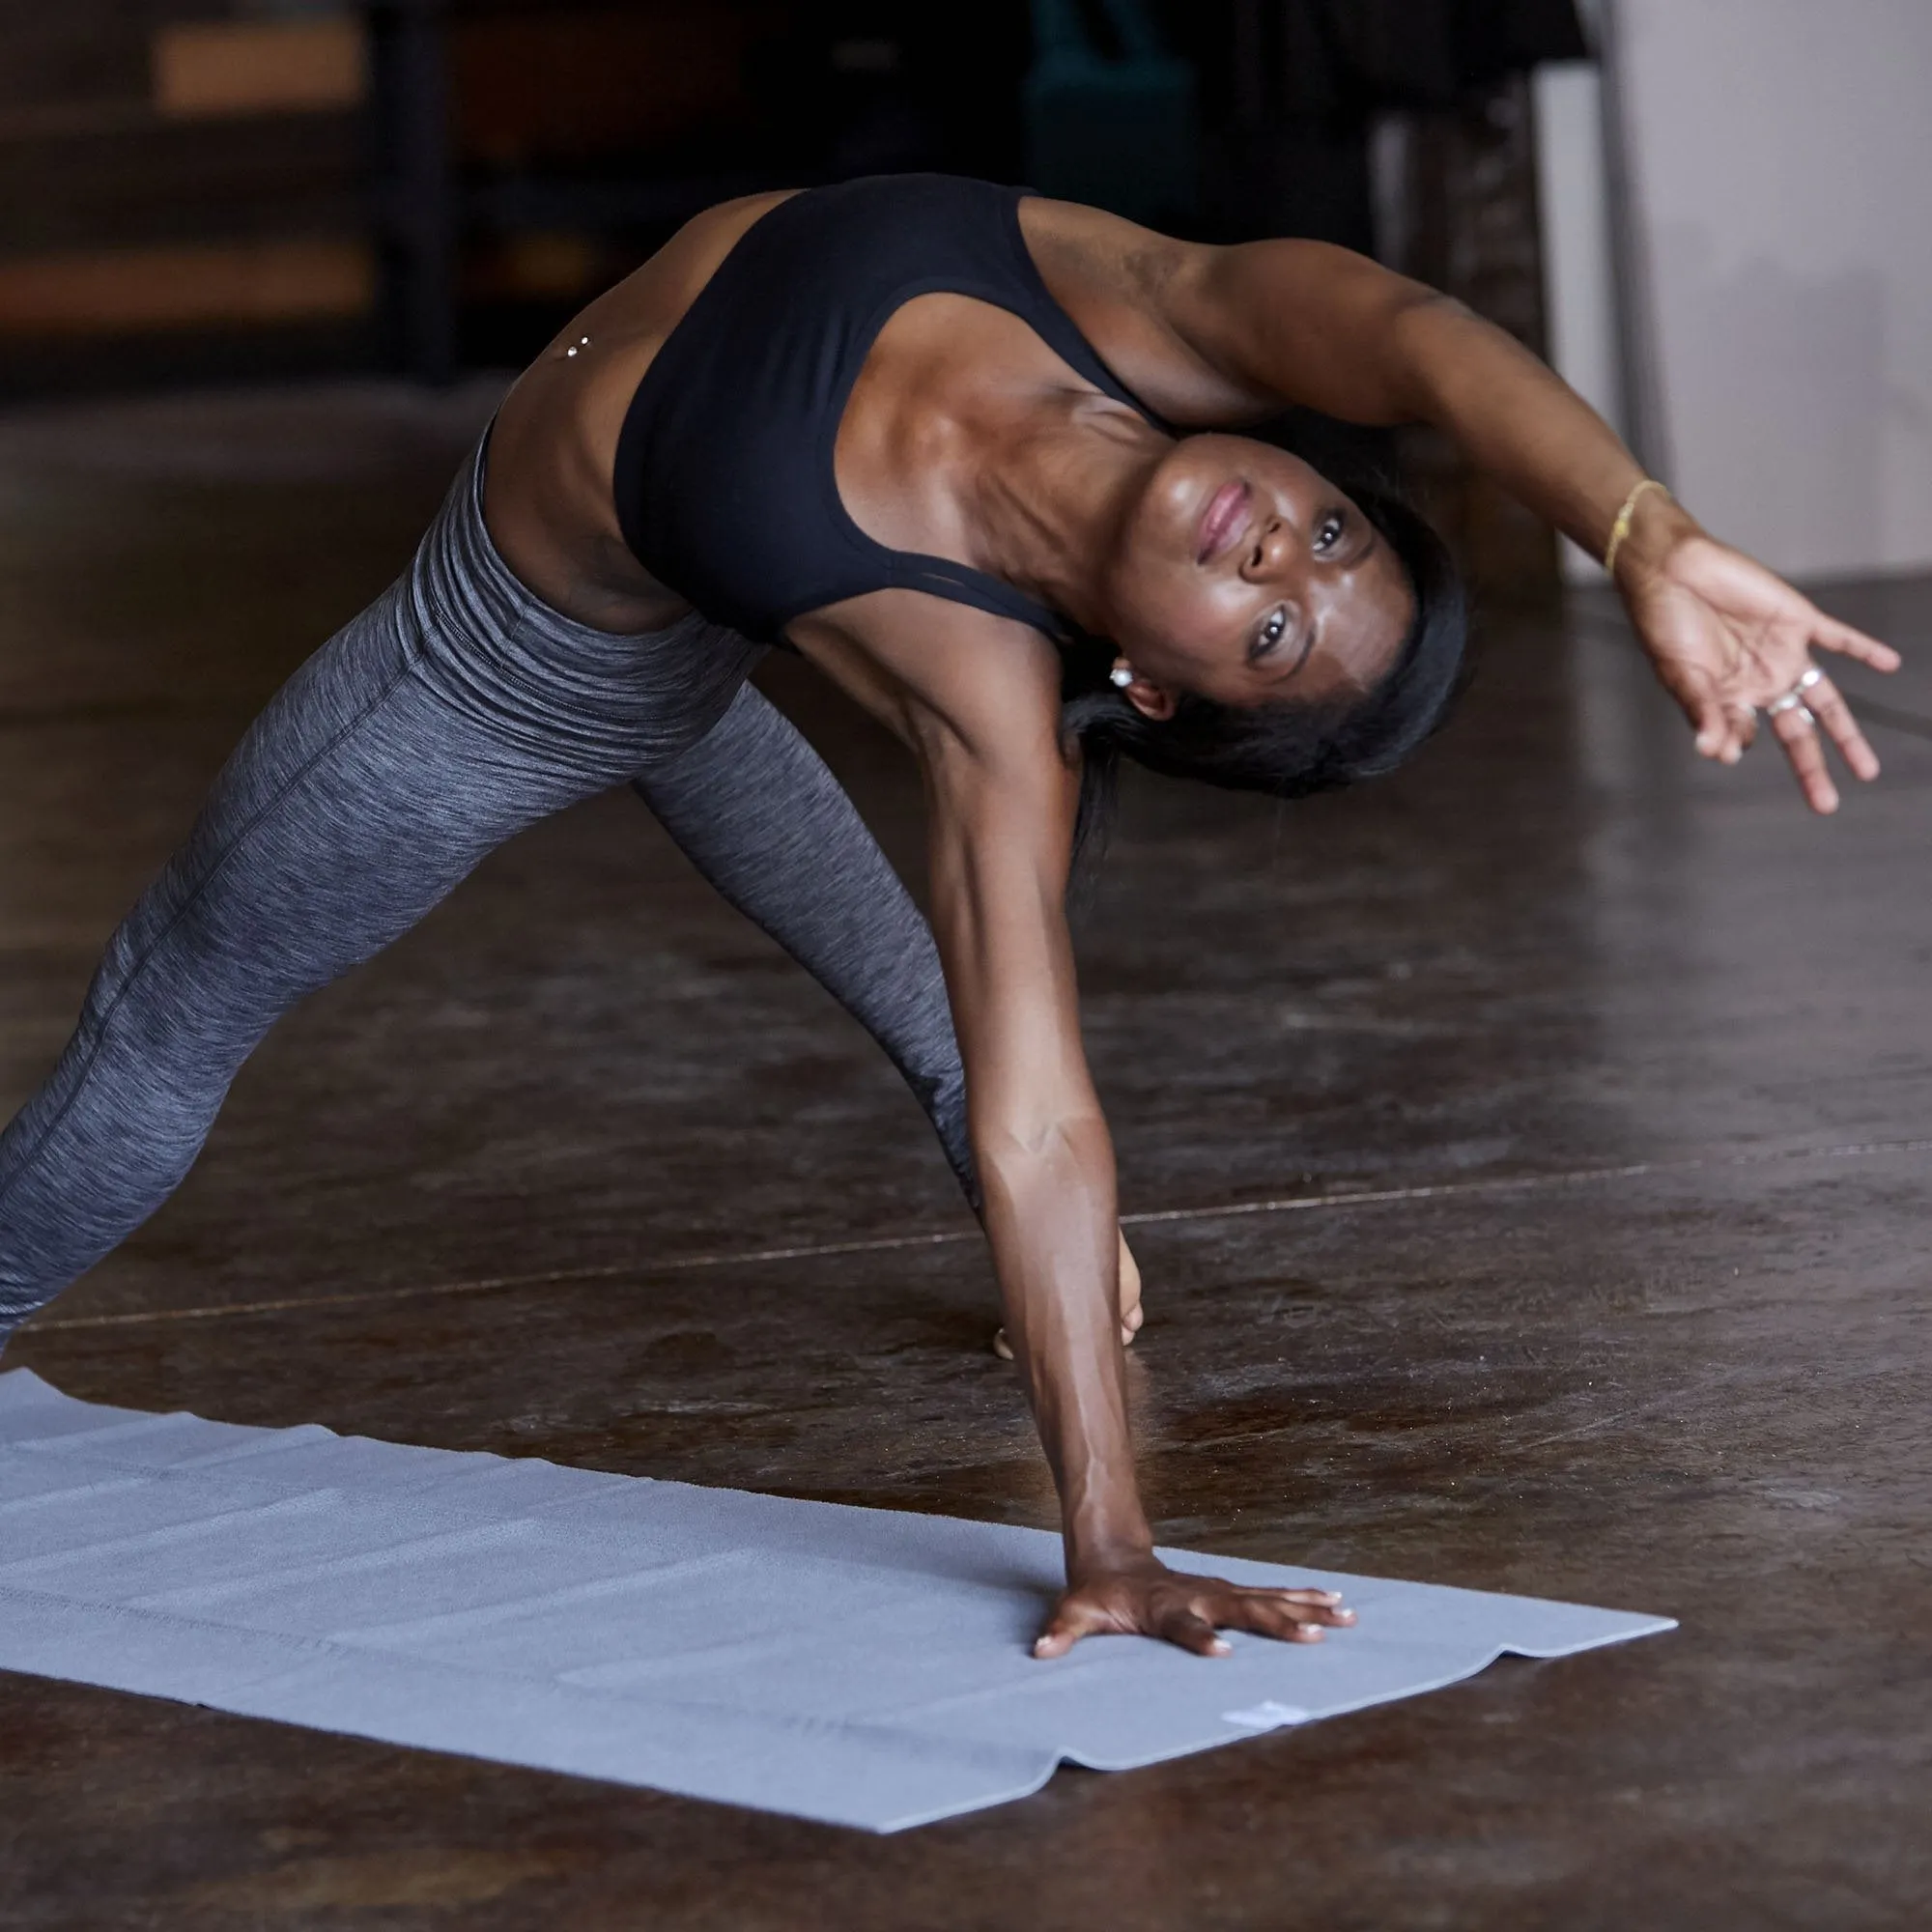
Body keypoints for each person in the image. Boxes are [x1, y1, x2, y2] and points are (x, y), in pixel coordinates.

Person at [0, 175, 1897, 1659]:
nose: (1274, 560)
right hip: (686, 630)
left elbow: (1045, 1112)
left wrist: (1115, 1540)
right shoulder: (1153, 305)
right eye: (1326, 538)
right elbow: (1412, 333)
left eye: (1267, 639)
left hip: (507, 666)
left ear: (1154, 690)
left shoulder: (995, 714)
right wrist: (1641, 533)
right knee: (908, 978)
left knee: (176, 996)